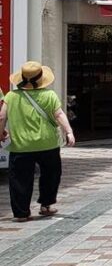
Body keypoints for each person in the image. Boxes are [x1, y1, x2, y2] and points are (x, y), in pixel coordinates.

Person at [0, 62, 75, 222]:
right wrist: (69, 132)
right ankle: (46, 205)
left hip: (21, 146)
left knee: (19, 179)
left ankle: (21, 213)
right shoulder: (49, 95)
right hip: (48, 144)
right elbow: (59, 114)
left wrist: (1, 134)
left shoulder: (11, 96)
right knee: (51, 175)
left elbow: (2, 117)